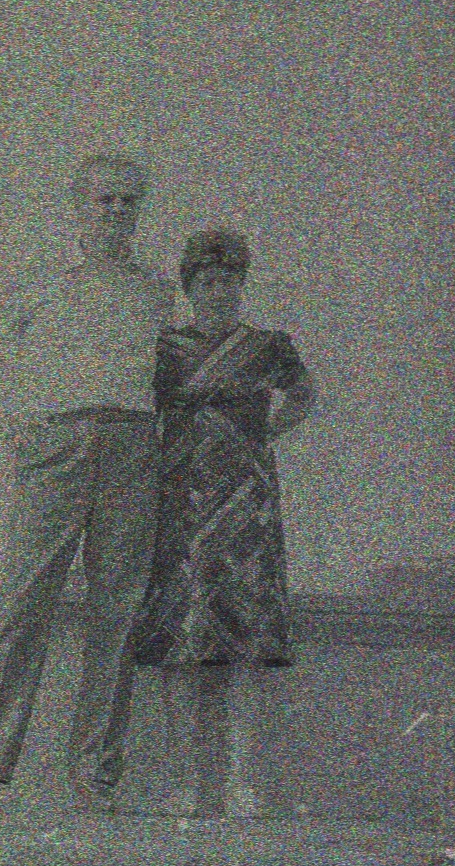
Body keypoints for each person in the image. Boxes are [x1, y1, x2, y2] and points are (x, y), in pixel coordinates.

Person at [0, 154, 172, 816]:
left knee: (119, 613)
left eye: (128, 202)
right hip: (59, 444)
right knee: (23, 604)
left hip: (132, 446)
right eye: (104, 200)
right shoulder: (41, 279)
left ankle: (94, 775)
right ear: (78, 207)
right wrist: (13, 421)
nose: (117, 212)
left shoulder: (156, 291)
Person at [128, 229, 317, 816]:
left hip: (246, 503)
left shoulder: (267, 345)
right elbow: (139, 411)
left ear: (242, 284)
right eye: (207, 281)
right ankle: (184, 782)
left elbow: (303, 395)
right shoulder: (165, 348)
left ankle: (242, 783)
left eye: (229, 280)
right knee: (180, 638)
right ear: (190, 288)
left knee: (248, 638)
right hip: (182, 500)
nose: (219, 291)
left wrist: (262, 436)